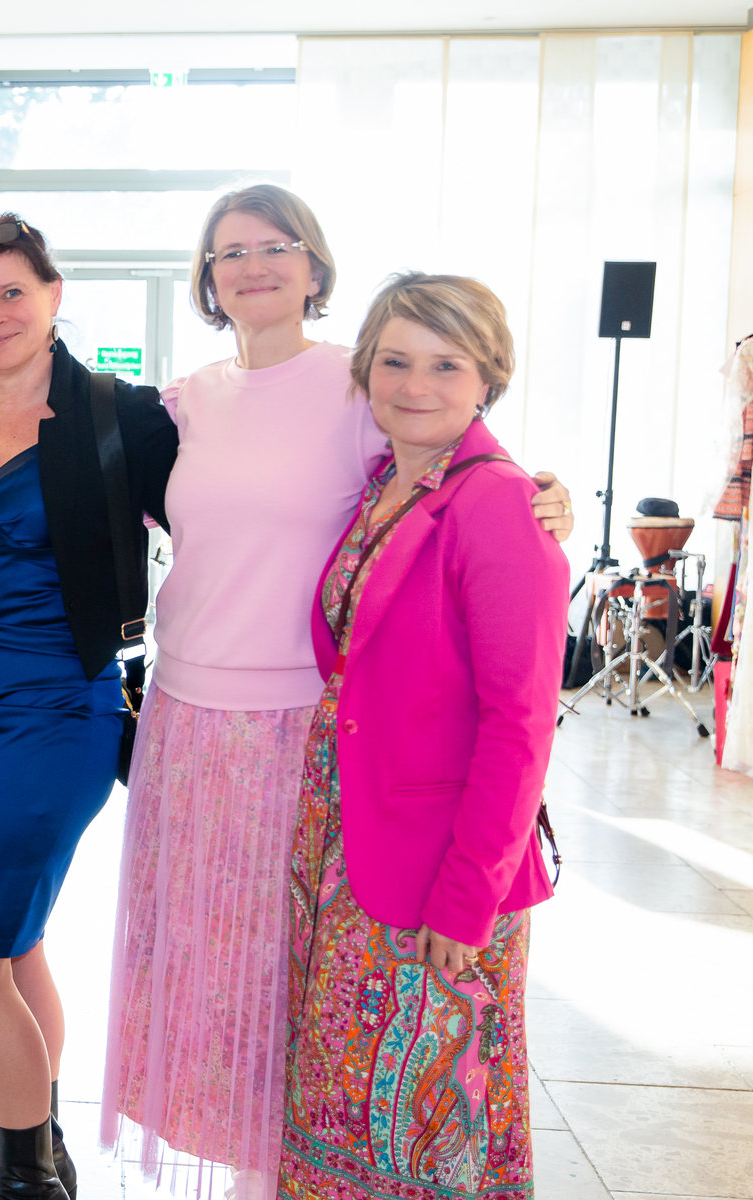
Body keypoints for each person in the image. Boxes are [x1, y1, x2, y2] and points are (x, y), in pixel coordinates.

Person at [102, 185, 572, 1198]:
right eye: (230, 251)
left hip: (373, 787)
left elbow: (521, 717)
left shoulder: (433, 456)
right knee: (317, 1050)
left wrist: (543, 494)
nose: (414, 383)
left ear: (314, 265)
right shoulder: (209, 412)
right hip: (295, 772)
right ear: (206, 278)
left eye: (275, 246)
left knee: (425, 1092)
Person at [280, 272, 561, 1199]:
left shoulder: (499, 501)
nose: (415, 385)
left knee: (430, 1125)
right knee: (346, 1105)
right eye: (395, 361)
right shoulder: (384, 486)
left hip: (438, 864)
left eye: (447, 365)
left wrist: (468, 895)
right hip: (347, 847)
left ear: (488, 378)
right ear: (366, 371)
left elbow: (520, 722)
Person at [0, 214, 176, 1200]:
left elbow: (243, 503)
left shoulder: (120, 415)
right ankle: (46, 1140)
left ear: (54, 295)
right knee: (13, 944)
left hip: (61, 713)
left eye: (13, 294)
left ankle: (28, 1181)